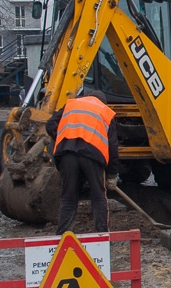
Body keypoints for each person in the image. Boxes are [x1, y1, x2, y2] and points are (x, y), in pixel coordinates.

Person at [46, 91, 119, 234]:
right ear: (103, 102)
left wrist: (63, 139)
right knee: (98, 196)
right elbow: (113, 147)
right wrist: (112, 174)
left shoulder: (70, 105)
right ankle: (101, 235)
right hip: (92, 156)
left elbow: (50, 126)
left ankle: (62, 236)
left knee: (68, 197)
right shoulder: (105, 111)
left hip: (67, 155)